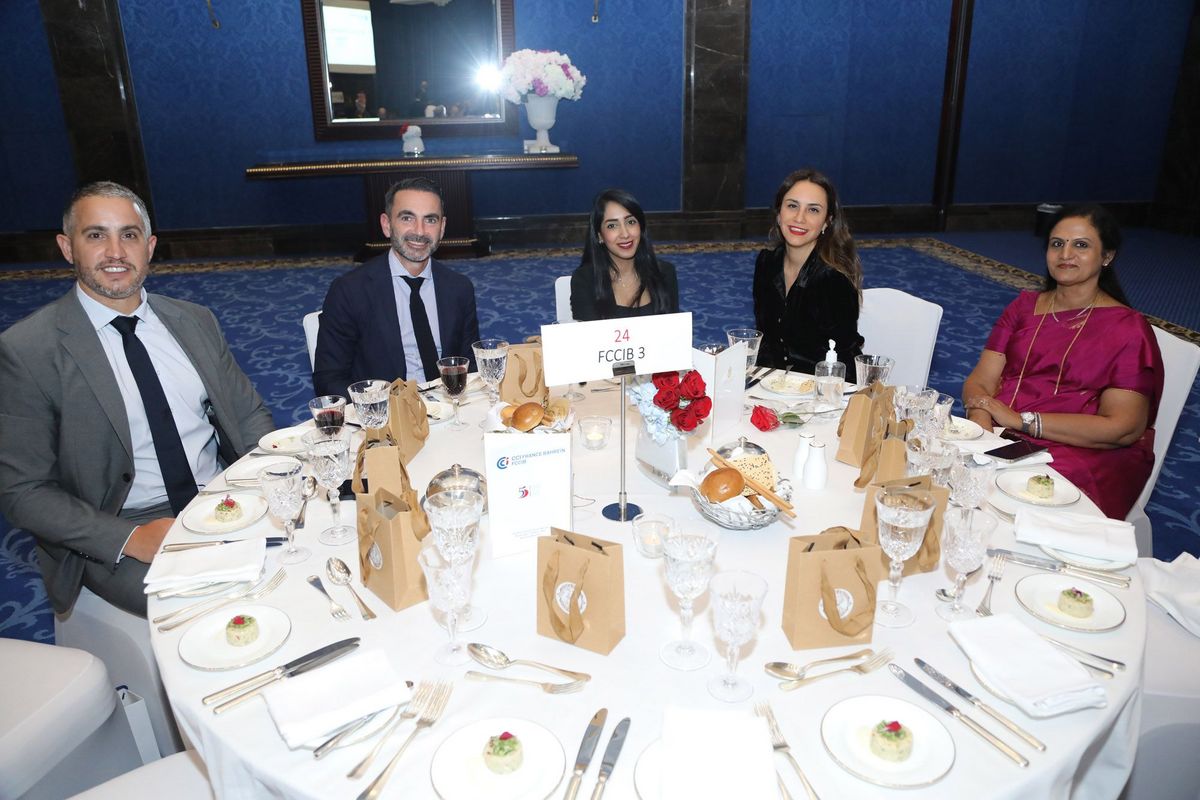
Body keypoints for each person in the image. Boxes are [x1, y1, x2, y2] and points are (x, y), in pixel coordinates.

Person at [0, 182, 275, 616]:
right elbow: (23, 491)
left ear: (149, 247)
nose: (115, 252)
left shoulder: (193, 320)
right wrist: (130, 539)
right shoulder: (29, 349)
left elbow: (247, 414)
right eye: (96, 235)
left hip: (220, 497)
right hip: (121, 524)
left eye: (128, 235)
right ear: (67, 248)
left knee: (314, 562)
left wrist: (272, 478)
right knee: (220, 609)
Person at [962, 204, 1164, 519]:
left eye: (1081, 245)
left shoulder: (1127, 329)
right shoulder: (1023, 308)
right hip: (1003, 432)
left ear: (1107, 256)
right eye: (1057, 243)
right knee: (943, 463)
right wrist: (981, 420)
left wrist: (1022, 421)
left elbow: (1123, 428)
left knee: (1019, 496)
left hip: (1083, 449)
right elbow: (980, 381)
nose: (1065, 254)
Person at [314, 177, 480, 397]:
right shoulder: (350, 291)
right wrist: (378, 405)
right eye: (407, 218)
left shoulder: (459, 288)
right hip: (384, 410)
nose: (419, 231)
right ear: (386, 225)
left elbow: (471, 366)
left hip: (449, 405)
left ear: (442, 228)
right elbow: (328, 379)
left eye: (430, 220)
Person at [752, 168, 864, 372]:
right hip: (774, 381)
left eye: (813, 210)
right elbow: (765, 339)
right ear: (779, 214)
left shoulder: (834, 280)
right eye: (792, 206)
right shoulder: (767, 263)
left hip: (824, 383)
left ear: (827, 222)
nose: (799, 218)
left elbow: (842, 359)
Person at [570, 188, 679, 321]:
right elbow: (587, 333)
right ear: (600, 236)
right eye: (612, 226)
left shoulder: (664, 273)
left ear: (641, 228)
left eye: (630, 222)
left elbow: (673, 330)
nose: (625, 234)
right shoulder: (584, 280)